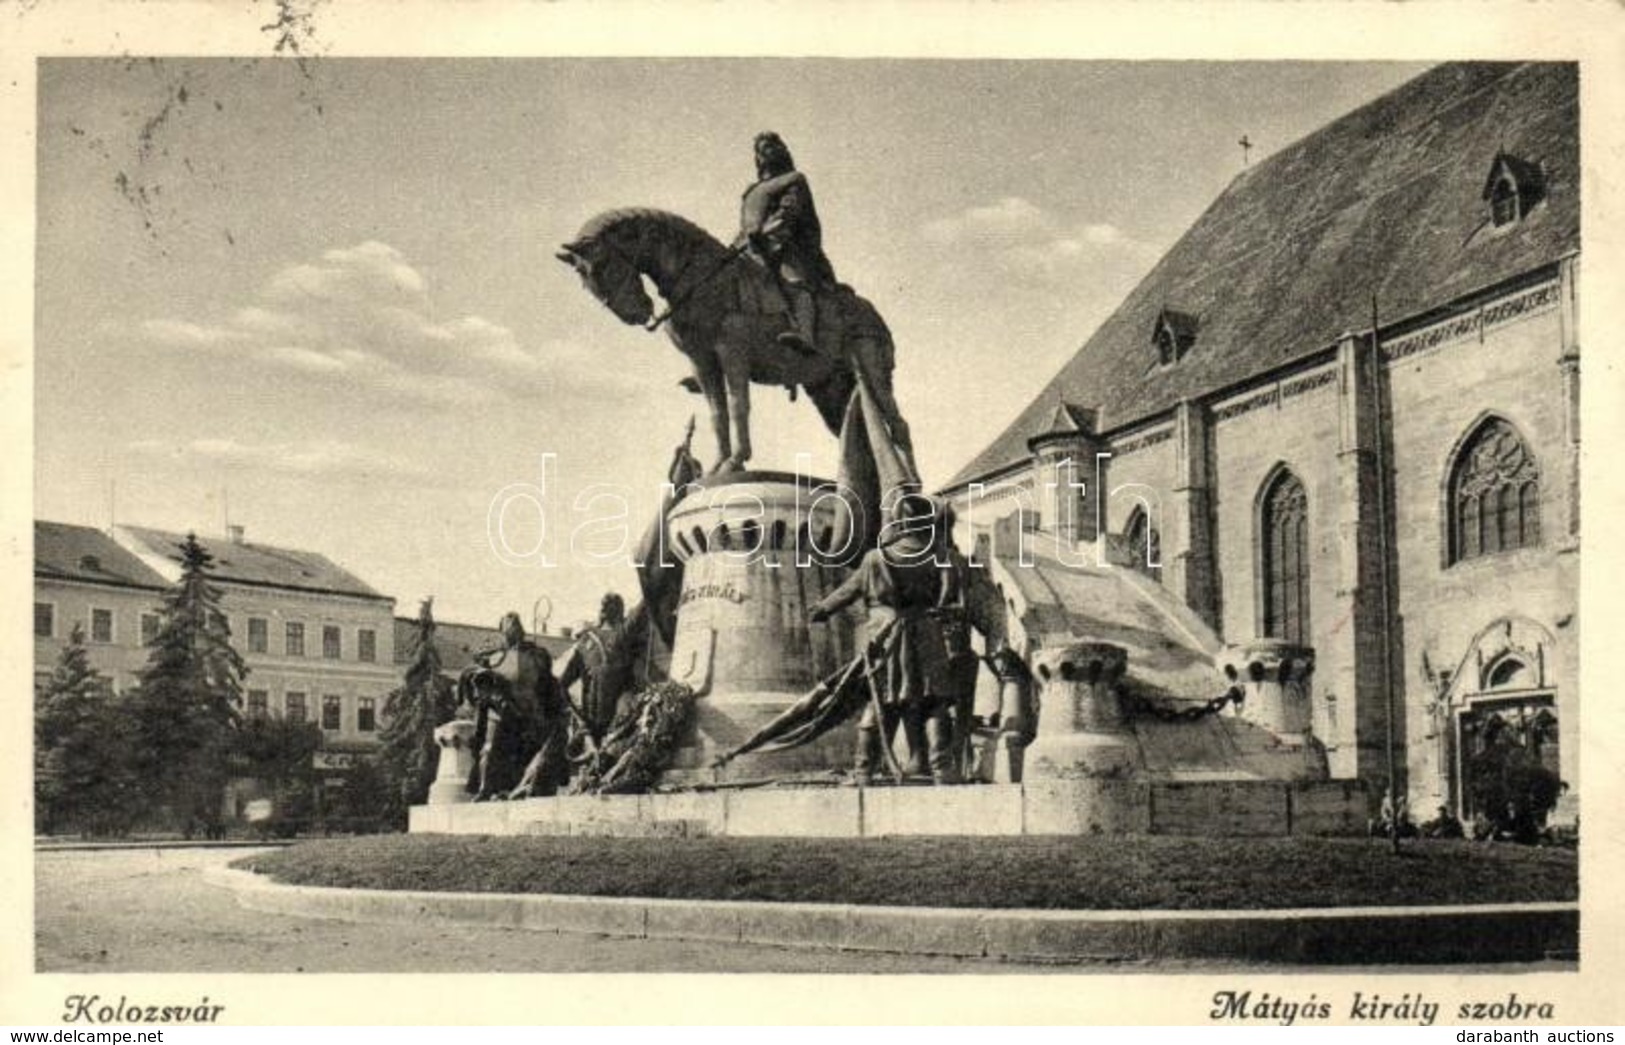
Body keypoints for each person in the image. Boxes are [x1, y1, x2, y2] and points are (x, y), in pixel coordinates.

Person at [810, 494, 958, 784]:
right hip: (927, 634)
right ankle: (943, 770)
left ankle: (863, 770)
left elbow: (850, 589)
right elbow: (950, 593)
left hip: (886, 636)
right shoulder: (941, 554)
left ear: (900, 521)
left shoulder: (876, 558)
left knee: (881, 701)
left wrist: (823, 609)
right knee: (933, 703)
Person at [736, 131, 837, 355]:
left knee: (793, 280)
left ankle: (805, 334)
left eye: (771, 147)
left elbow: (789, 211)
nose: (766, 153)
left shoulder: (794, 180)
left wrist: (767, 231)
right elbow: (746, 225)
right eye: (761, 150)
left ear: (782, 150)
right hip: (752, 248)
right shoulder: (750, 191)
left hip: (786, 245)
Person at [462, 612, 566, 801]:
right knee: (489, 747)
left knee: (537, 751)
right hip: (501, 712)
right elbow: (479, 686)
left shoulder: (538, 655)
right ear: (501, 631)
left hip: (531, 712)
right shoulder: (493, 658)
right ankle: (485, 788)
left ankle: (527, 785)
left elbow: (548, 685)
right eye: (508, 626)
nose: (512, 630)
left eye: (516, 625)